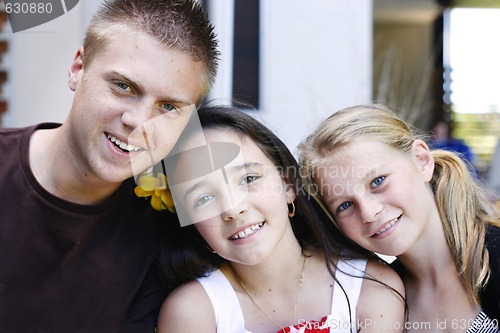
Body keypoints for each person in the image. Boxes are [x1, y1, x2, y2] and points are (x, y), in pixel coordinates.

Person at [0, 0, 219, 332]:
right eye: (124, 86)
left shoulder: (169, 238)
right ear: (78, 68)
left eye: (169, 107)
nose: (139, 122)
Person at [156, 105, 405, 333]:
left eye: (249, 179)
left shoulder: (369, 287)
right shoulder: (192, 313)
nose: (232, 209)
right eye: (203, 199)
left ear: (287, 185)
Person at [298, 104, 500, 332]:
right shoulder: (378, 299)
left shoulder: (492, 256)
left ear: (422, 161)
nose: (368, 212)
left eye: (378, 181)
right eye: (345, 205)